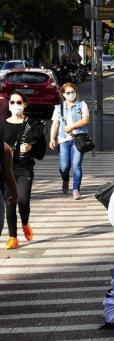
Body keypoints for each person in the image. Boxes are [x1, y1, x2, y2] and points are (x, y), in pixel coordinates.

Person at [0, 91, 46, 249]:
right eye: (12, 102)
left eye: (18, 102)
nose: (15, 106)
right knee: (10, 202)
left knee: (23, 201)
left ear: (25, 104)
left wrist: (30, 147)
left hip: (25, 169)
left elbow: (41, 150)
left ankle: (25, 223)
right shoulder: (3, 126)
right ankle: (13, 237)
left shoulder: (32, 125)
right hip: (7, 170)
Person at [49, 83, 90, 200]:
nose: (71, 94)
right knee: (64, 166)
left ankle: (76, 189)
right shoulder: (59, 108)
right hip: (63, 139)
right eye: (68, 93)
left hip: (78, 139)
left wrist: (72, 126)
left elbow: (86, 120)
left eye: (73, 92)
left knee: (76, 165)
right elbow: (55, 124)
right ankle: (65, 179)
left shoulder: (82, 105)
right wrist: (52, 138)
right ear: (63, 94)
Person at [0, 140, 19, 236]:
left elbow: (8, 173)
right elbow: (8, 173)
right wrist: (15, 194)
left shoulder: (4, 148)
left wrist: (15, 194)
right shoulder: (5, 147)